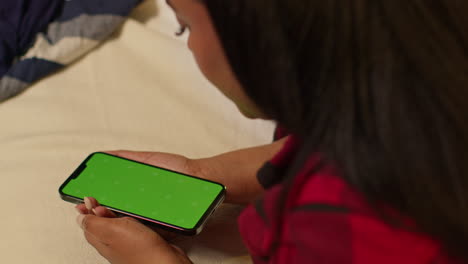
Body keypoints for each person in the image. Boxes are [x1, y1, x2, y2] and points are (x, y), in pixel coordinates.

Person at [74, 0, 468, 263]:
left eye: (184, 27)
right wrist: (200, 175)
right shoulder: (415, 80)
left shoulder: (325, 226)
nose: (190, 45)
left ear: (262, 36)